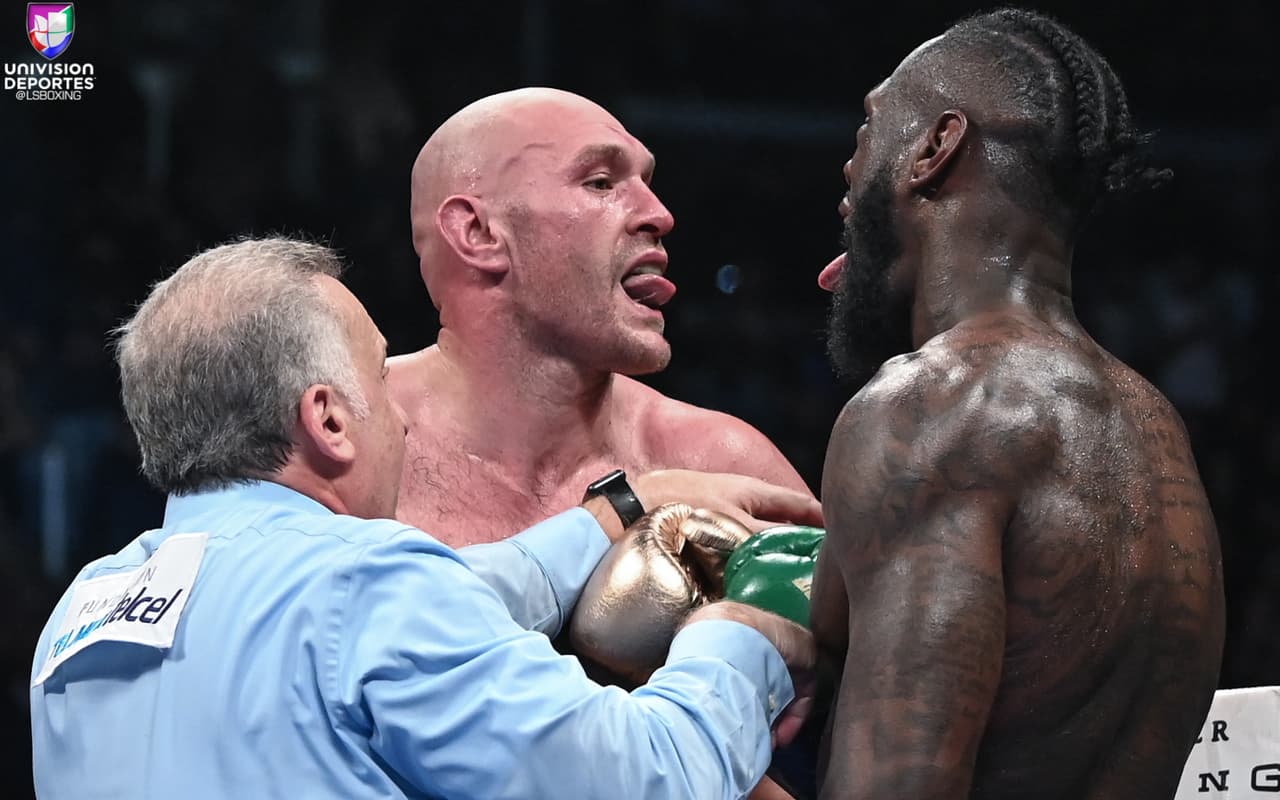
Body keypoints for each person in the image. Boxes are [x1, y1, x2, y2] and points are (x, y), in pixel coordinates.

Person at [29, 237, 826, 800]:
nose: (402, 418)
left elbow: (416, 607)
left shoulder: (87, 607)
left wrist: (618, 510)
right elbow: (649, 778)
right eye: (379, 376)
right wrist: (737, 639)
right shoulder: (361, 587)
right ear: (328, 421)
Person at [807, 9, 1225, 799]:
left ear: (935, 148)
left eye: (868, 127)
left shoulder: (935, 402)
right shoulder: (1153, 428)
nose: (849, 171)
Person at [390, 87, 813, 549]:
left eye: (648, 183)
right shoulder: (345, 445)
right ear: (478, 233)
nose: (659, 214)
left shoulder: (718, 463)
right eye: (600, 183)